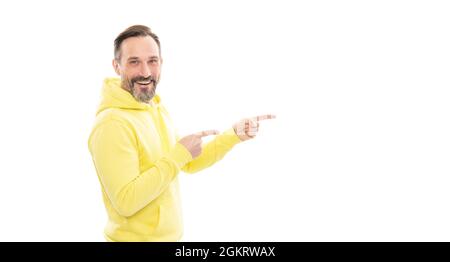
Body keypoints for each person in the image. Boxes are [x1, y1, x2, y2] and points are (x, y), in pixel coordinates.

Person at [88, 25, 275, 242]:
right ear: (116, 66)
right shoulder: (112, 124)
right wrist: (178, 154)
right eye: (134, 62)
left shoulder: (154, 107)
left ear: (161, 63)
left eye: (152, 60)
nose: (146, 72)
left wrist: (233, 135)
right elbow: (126, 202)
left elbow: (187, 162)